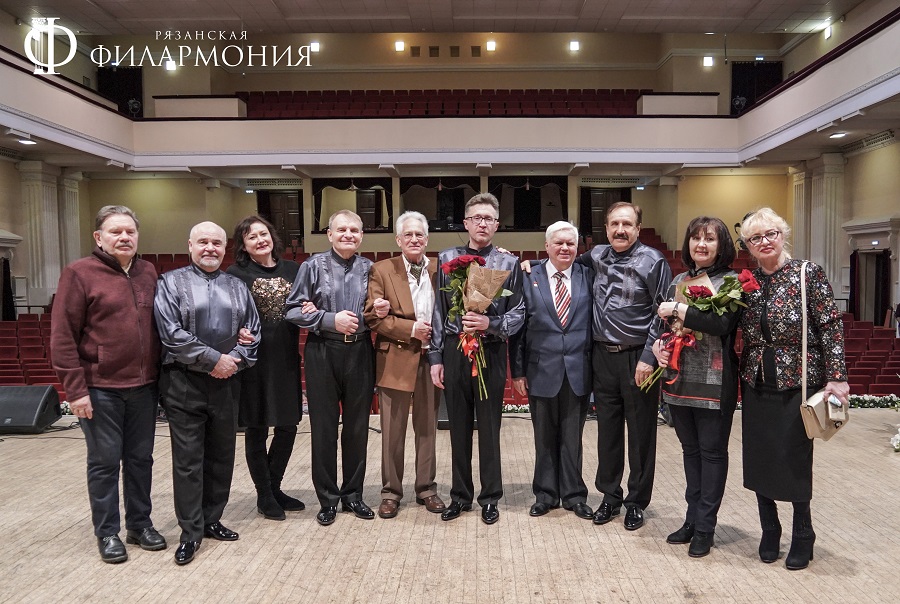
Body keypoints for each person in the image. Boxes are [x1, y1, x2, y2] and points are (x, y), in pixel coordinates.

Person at [50, 205, 166, 563]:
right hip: (99, 388)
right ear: (99, 238)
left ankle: (140, 525)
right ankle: (107, 532)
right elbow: (62, 337)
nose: (124, 237)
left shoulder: (148, 271)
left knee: (140, 459)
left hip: (144, 386)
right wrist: (76, 391)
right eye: (116, 232)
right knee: (104, 462)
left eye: (130, 231)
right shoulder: (79, 273)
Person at [738, 207, 848, 571]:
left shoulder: (806, 273)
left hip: (797, 383)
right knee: (759, 458)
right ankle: (770, 529)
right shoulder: (746, 282)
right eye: (755, 238)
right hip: (756, 381)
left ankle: (803, 532)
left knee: (794, 458)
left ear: (783, 234)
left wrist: (837, 376)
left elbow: (830, 325)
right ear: (748, 246)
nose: (764, 242)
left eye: (770, 233)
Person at [154, 221, 260, 565]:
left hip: (228, 381)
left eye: (216, 242)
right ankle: (190, 531)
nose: (210, 248)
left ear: (224, 247)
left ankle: (212, 518)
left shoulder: (237, 286)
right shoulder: (170, 283)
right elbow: (171, 333)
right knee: (188, 460)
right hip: (184, 382)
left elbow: (253, 331)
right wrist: (215, 359)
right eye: (203, 242)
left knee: (221, 455)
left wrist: (235, 359)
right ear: (190, 245)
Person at [567, 202, 671, 530]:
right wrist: (531, 265)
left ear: (638, 228)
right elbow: (564, 262)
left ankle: (636, 502)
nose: (620, 230)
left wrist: (648, 358)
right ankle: (610, 496)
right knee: (607, 431)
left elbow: (663, 312)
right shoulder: (597, 255)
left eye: (627, 224)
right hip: (602, 356)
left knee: (641, 434)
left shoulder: (653, 260)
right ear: (607, 227)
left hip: (638, 356)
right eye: (614, 224)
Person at [429, 193, 524, 525]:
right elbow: (439, 312)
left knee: (489, 427)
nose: (482, 224)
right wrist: (435, 357)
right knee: (457, 427)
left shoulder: (508, 263)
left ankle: (490, 497)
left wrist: (490, 324)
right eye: (476, 218)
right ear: (466, 223)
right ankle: (460, 495)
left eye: (489, 219)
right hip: (455, 349)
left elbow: (519, 312)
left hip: (491, 350)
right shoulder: (447, 259)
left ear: (496, 225)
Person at [651, 216, 740, 558]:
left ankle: (705, 527)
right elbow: (670, 327)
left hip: (714, 381)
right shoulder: (680, 279)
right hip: (680, 377)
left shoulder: (731, 282)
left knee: (712, 453)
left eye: (709, 239)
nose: (701, 244)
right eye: (695, 238)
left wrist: (678, 308)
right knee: (690, 452)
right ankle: (691, 519)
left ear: (722, 245)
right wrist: (659, 345)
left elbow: (721, 324)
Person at [284, 210, 376, 527]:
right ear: (330, 234)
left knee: (357, 428)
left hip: (360, 350)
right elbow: (292, 310)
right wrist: (327, 318)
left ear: (361, 236)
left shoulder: (370, 268)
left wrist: (377, 311)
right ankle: (327, 499)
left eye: (354, 230)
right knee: (324, 428)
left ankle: (353, 495)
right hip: (322, 350)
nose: (348, 234)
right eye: (341, 229)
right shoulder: (311, 266)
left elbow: (376, 312)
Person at [363, 211, 446, 519]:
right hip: (395, 358)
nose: (414, 239)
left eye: (419, 234)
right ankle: (390, 492)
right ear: (398, 240)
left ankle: (426, 488)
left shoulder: (440, 269)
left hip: (431, 360)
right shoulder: (382, 270)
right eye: (408, 234)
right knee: (392, 432)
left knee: (427, 429)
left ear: (427, 239)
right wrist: (411, 329)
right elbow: (373, 317)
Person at [510, 221, 594, 521]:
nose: (564, 248)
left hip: (578, 369)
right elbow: (518, 329)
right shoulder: (527, 276)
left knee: (573, 437)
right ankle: (545, 495)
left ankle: (574, 495)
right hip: (540, 369)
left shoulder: (588, 274)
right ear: (546, 246)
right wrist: (517, 371)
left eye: (570, 243)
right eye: (558, 243)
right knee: (544, 437)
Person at [227, 216, 305, 521]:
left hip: (286, 358)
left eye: (263, 234)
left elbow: (305, 304)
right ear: (243, 245)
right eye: (251, 237)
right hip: (254, 362)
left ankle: (275, 487)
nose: (260, 240)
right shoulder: (236, 274)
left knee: (288, 425)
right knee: (257, 428)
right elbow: (228, 314)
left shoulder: (294, 269)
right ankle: (264, 494)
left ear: (272, 236)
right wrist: (236, 331)